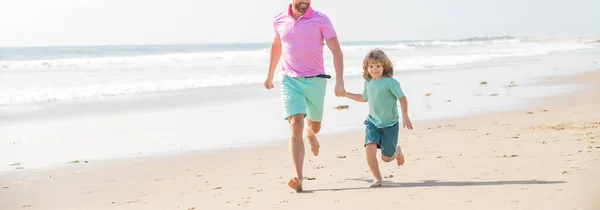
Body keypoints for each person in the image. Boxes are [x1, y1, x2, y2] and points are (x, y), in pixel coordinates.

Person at [263, 0, 345, 192]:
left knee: (314, 127)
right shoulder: (279, 20)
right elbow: (276, 45)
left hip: (316, 80)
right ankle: (298, 177)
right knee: (295, 124)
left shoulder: (321, 19)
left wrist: (339, 80)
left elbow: (336, 50)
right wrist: (269, 75)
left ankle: (310, 134)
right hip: (290, 80)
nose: (305, 2)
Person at [342, 49, 413, 188]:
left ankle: (397, 152)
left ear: (384, 66)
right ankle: (378, 178)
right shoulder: (368, 82)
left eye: (378, 66)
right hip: (373, 122)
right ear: (366, 68)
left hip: (390, 124)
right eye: (371, 66)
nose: (374, 70)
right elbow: (363, 98)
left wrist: (405, 116)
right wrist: (345, 94)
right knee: (369, 148)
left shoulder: (390, 82)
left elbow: (403, 100)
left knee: (386, 158)